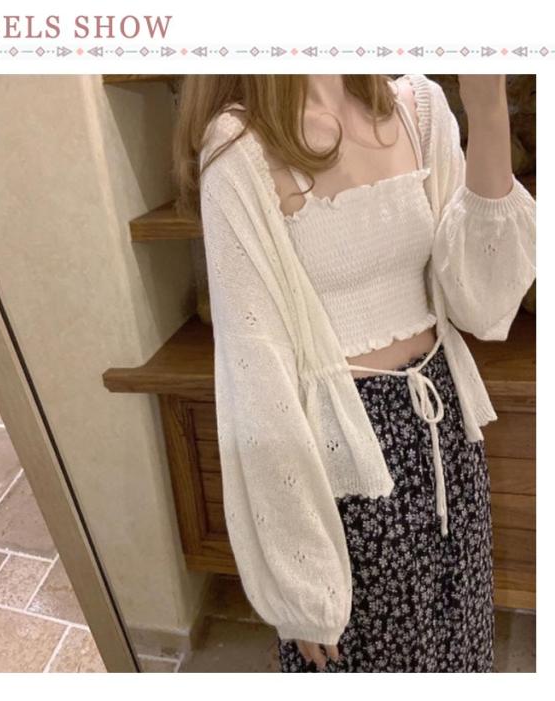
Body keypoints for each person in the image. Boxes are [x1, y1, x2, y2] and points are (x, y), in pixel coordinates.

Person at [172, 74, 536, 672]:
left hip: (443, 430)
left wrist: (488, 109)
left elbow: (483, 303)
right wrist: (301, 585)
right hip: (341, 465)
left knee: (460, 649)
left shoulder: (420, 107)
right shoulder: (239, 148)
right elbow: (254, 377)